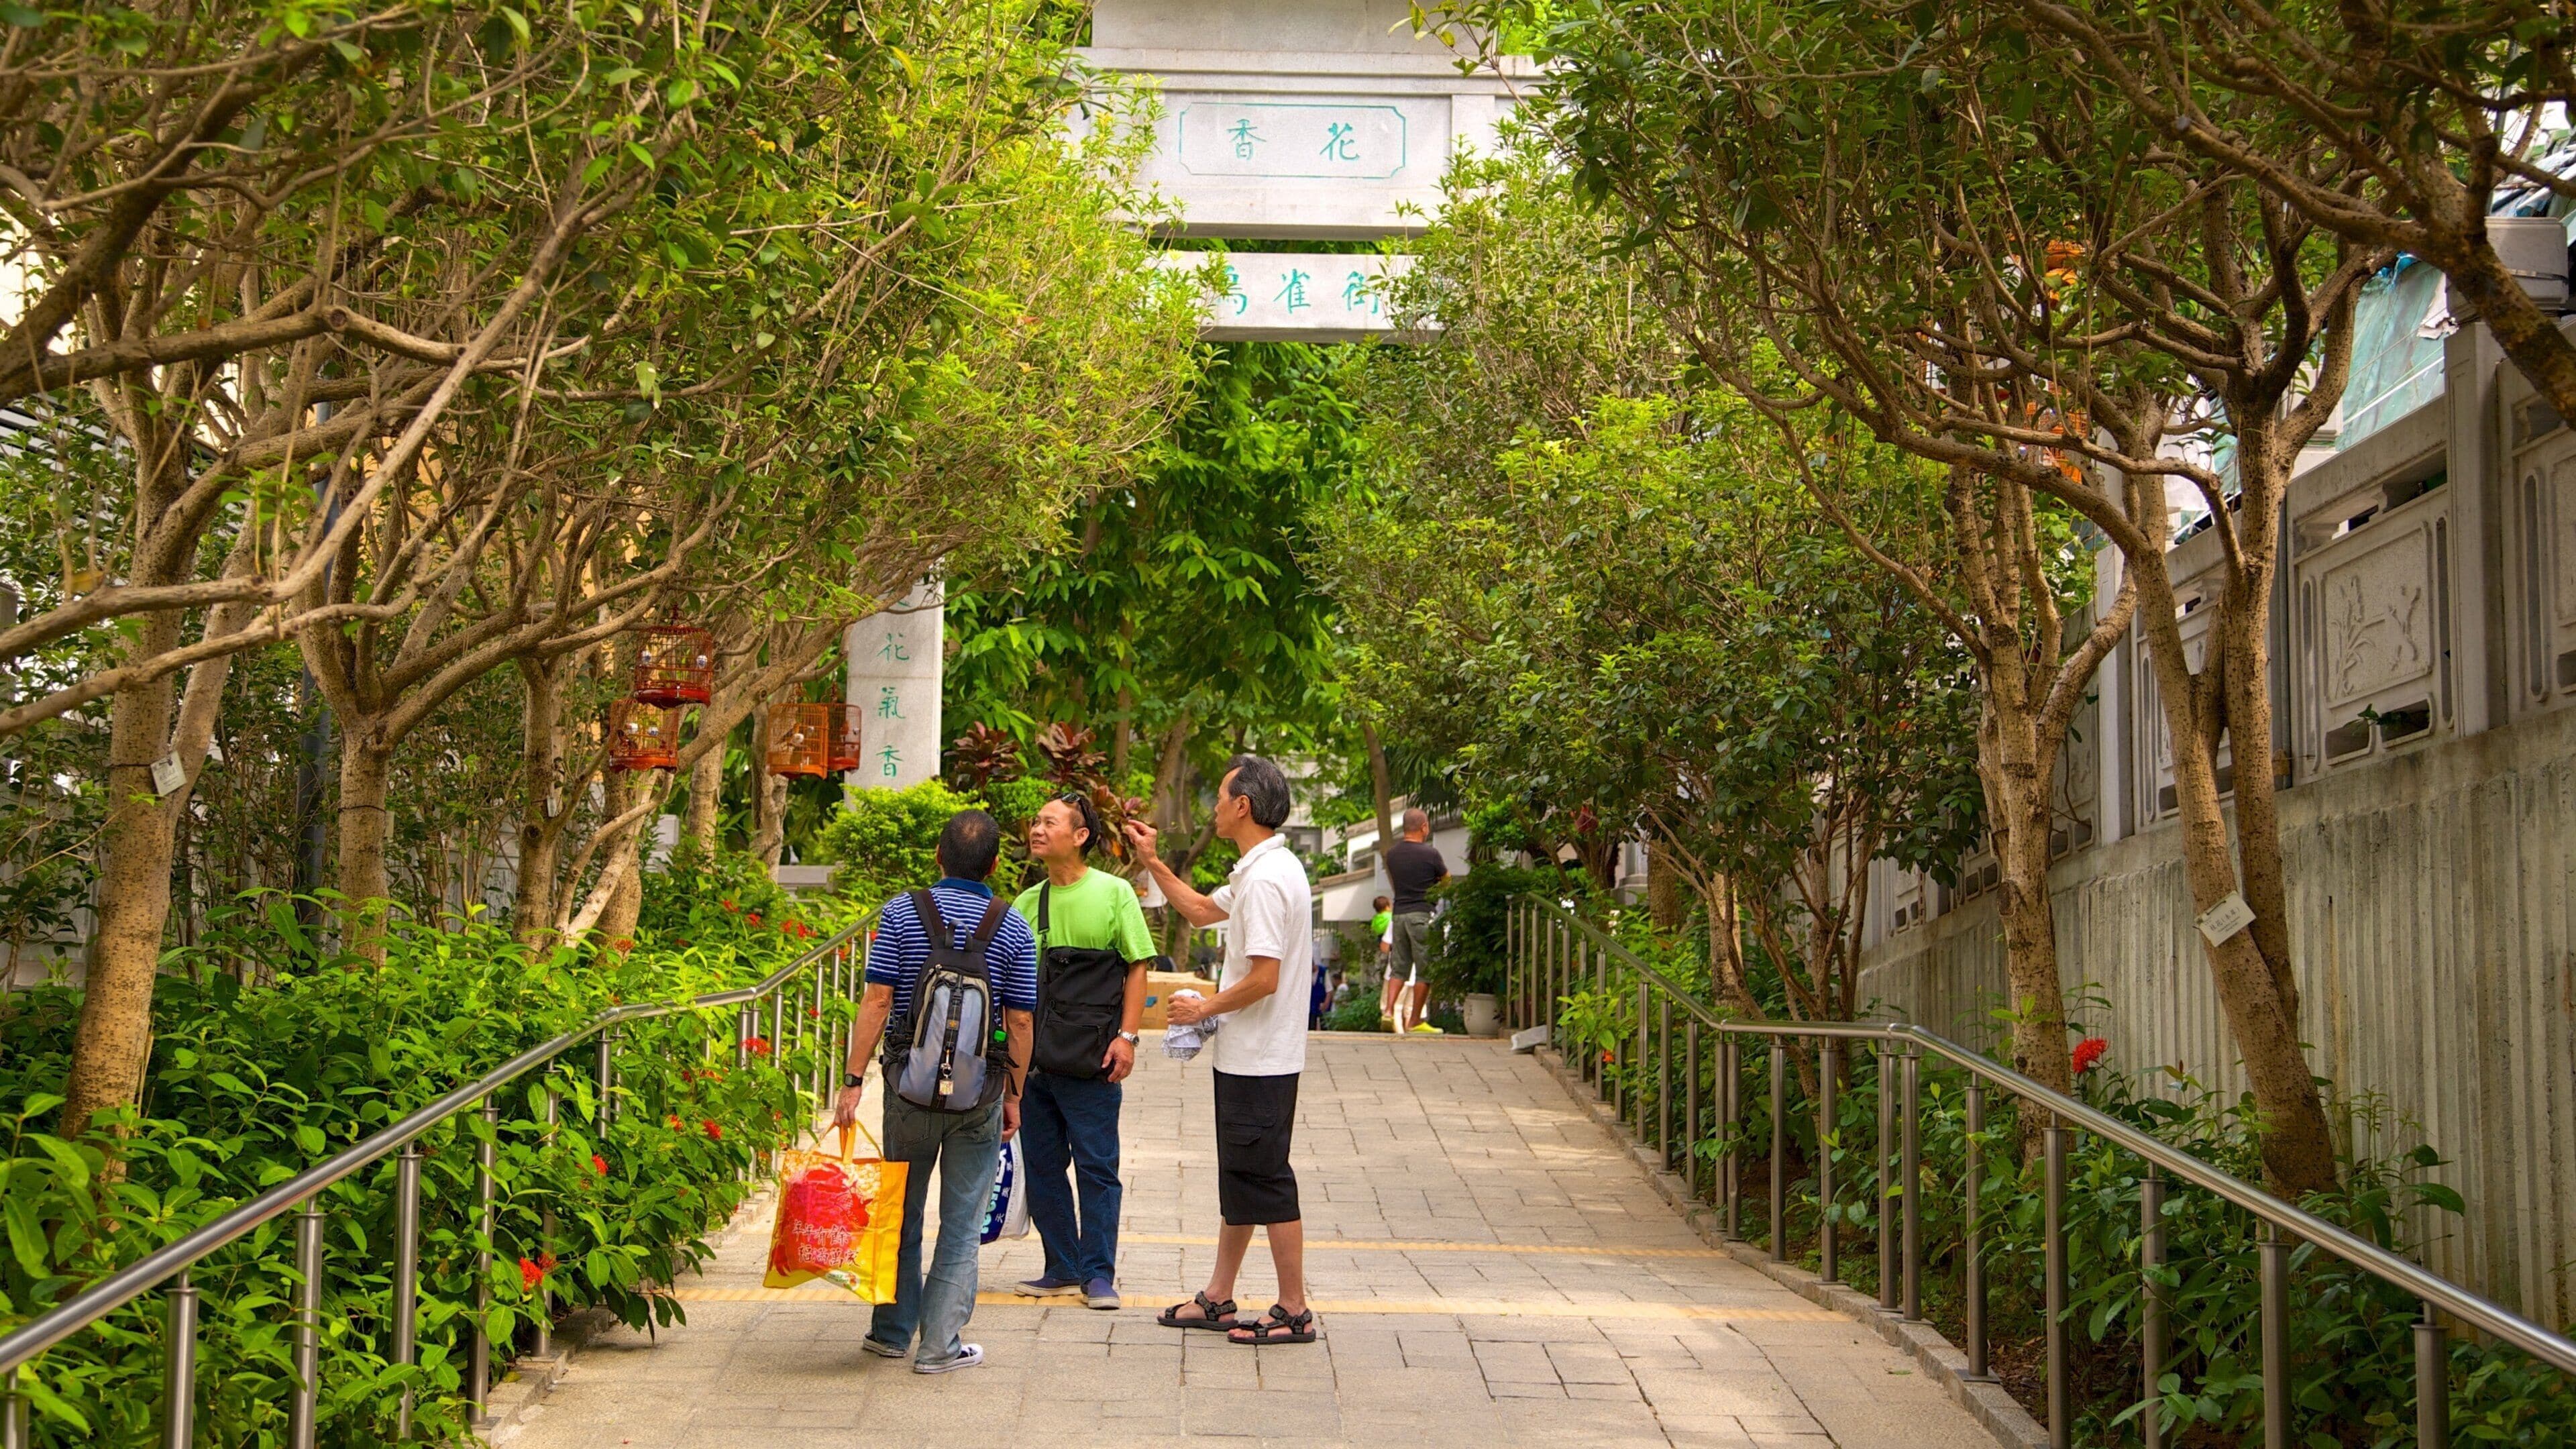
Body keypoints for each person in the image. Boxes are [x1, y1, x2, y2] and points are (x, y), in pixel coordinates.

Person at [833, 809, 1036, 1374]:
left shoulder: (902, 912)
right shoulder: (1013, 926)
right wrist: (1015, 1096)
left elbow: (877, 1001)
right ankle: (940, 1346)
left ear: (938, 858)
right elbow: (1020, 1023)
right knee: (962, 1219)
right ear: (996, 865)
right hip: (979, 1097)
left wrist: (852, 1083)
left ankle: (891, 1332)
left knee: (902, 1210)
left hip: (908, 1091)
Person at [1124, 755, 1320, 1346]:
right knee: (1242, 1177)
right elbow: (1202, 910)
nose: (1213, 806)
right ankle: (1218, 1297)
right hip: (1251, 1056)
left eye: (1220, 796)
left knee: (1265, 1180)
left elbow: (1265, 978)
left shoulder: (1265, 880)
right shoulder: (1261, 870)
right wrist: (1154, 861)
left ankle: (1294, 1310)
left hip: (1261, 1058)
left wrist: (1202, 1008)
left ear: (1244, 806)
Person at [1010, 793, 1153, 1311]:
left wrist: (1128, 1037)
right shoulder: (1028, 902)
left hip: (1093, 1058)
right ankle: (1061, 1266)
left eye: (1049, 822)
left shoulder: (1114, 893)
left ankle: (1098, 1274)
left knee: (1097, 1167)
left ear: (1081, 835)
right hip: (1037, 1062)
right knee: (1043, 1165)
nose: (1037, 829)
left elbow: (1138, 966)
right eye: (1036, 820)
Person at [1382, 809, 1450, 1032]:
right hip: (1421, 914)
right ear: (1423, 827)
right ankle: (1414, 1021)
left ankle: (1389, 1011)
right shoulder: (1430, 854)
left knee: (1398, 968)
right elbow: (1447, 879)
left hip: (1399, 914)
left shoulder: (1392, 855)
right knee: (1425, 970)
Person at [1368, 894, 1396, 1025]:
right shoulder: (1390, 917)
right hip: (1388, 941)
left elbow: (1374, 928)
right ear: (1387, 906)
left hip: (1380, 940)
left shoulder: (1376, 919)